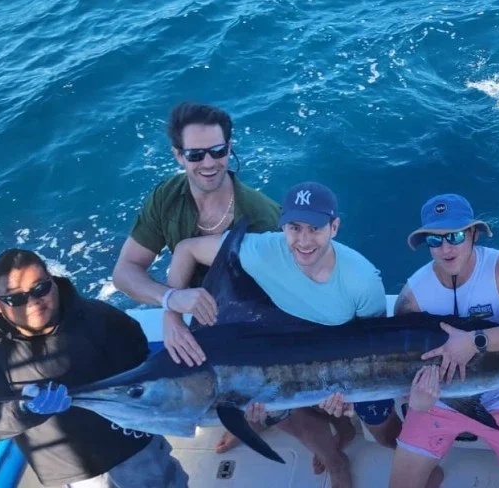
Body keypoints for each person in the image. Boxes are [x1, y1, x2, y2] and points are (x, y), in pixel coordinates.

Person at [164, 181, 399, 488]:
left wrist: (352, 396)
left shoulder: (362, 280)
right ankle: (336, 455)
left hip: (347, 362)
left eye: (315, 228)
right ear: (283, 227)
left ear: (334, 227)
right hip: (284, 353)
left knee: (383, 431)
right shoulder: (262, 250)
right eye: (294, 228)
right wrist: (171, 313)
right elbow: (187, 248)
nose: (304, 240)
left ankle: (353, 428)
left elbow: (377, 344)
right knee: (271, 412)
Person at [0, 249, 188, 487]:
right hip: (73, 471)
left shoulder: (100, 317)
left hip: (132, 443)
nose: (33, 301)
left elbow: (142, 362)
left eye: (40, 288)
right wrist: (24, 409)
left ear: (53, 282)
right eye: (16, 298)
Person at [388, 194, 499, 488]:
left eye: (455, 236)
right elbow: (402, 366)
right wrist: (416, 401)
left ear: (473, 233)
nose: (446, 248)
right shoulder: (413, 296)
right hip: (439, 401)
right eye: (434, 240)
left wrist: (476, 341)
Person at [112, 101, 281, 350]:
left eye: (218, 151)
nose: (209, 163)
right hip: (197, 313)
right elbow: (124, 271)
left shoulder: (263, 217)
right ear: (178, 156)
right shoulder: (166, 196)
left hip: (251, 322)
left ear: (229, 148)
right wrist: (171, 301)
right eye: (196, 155)